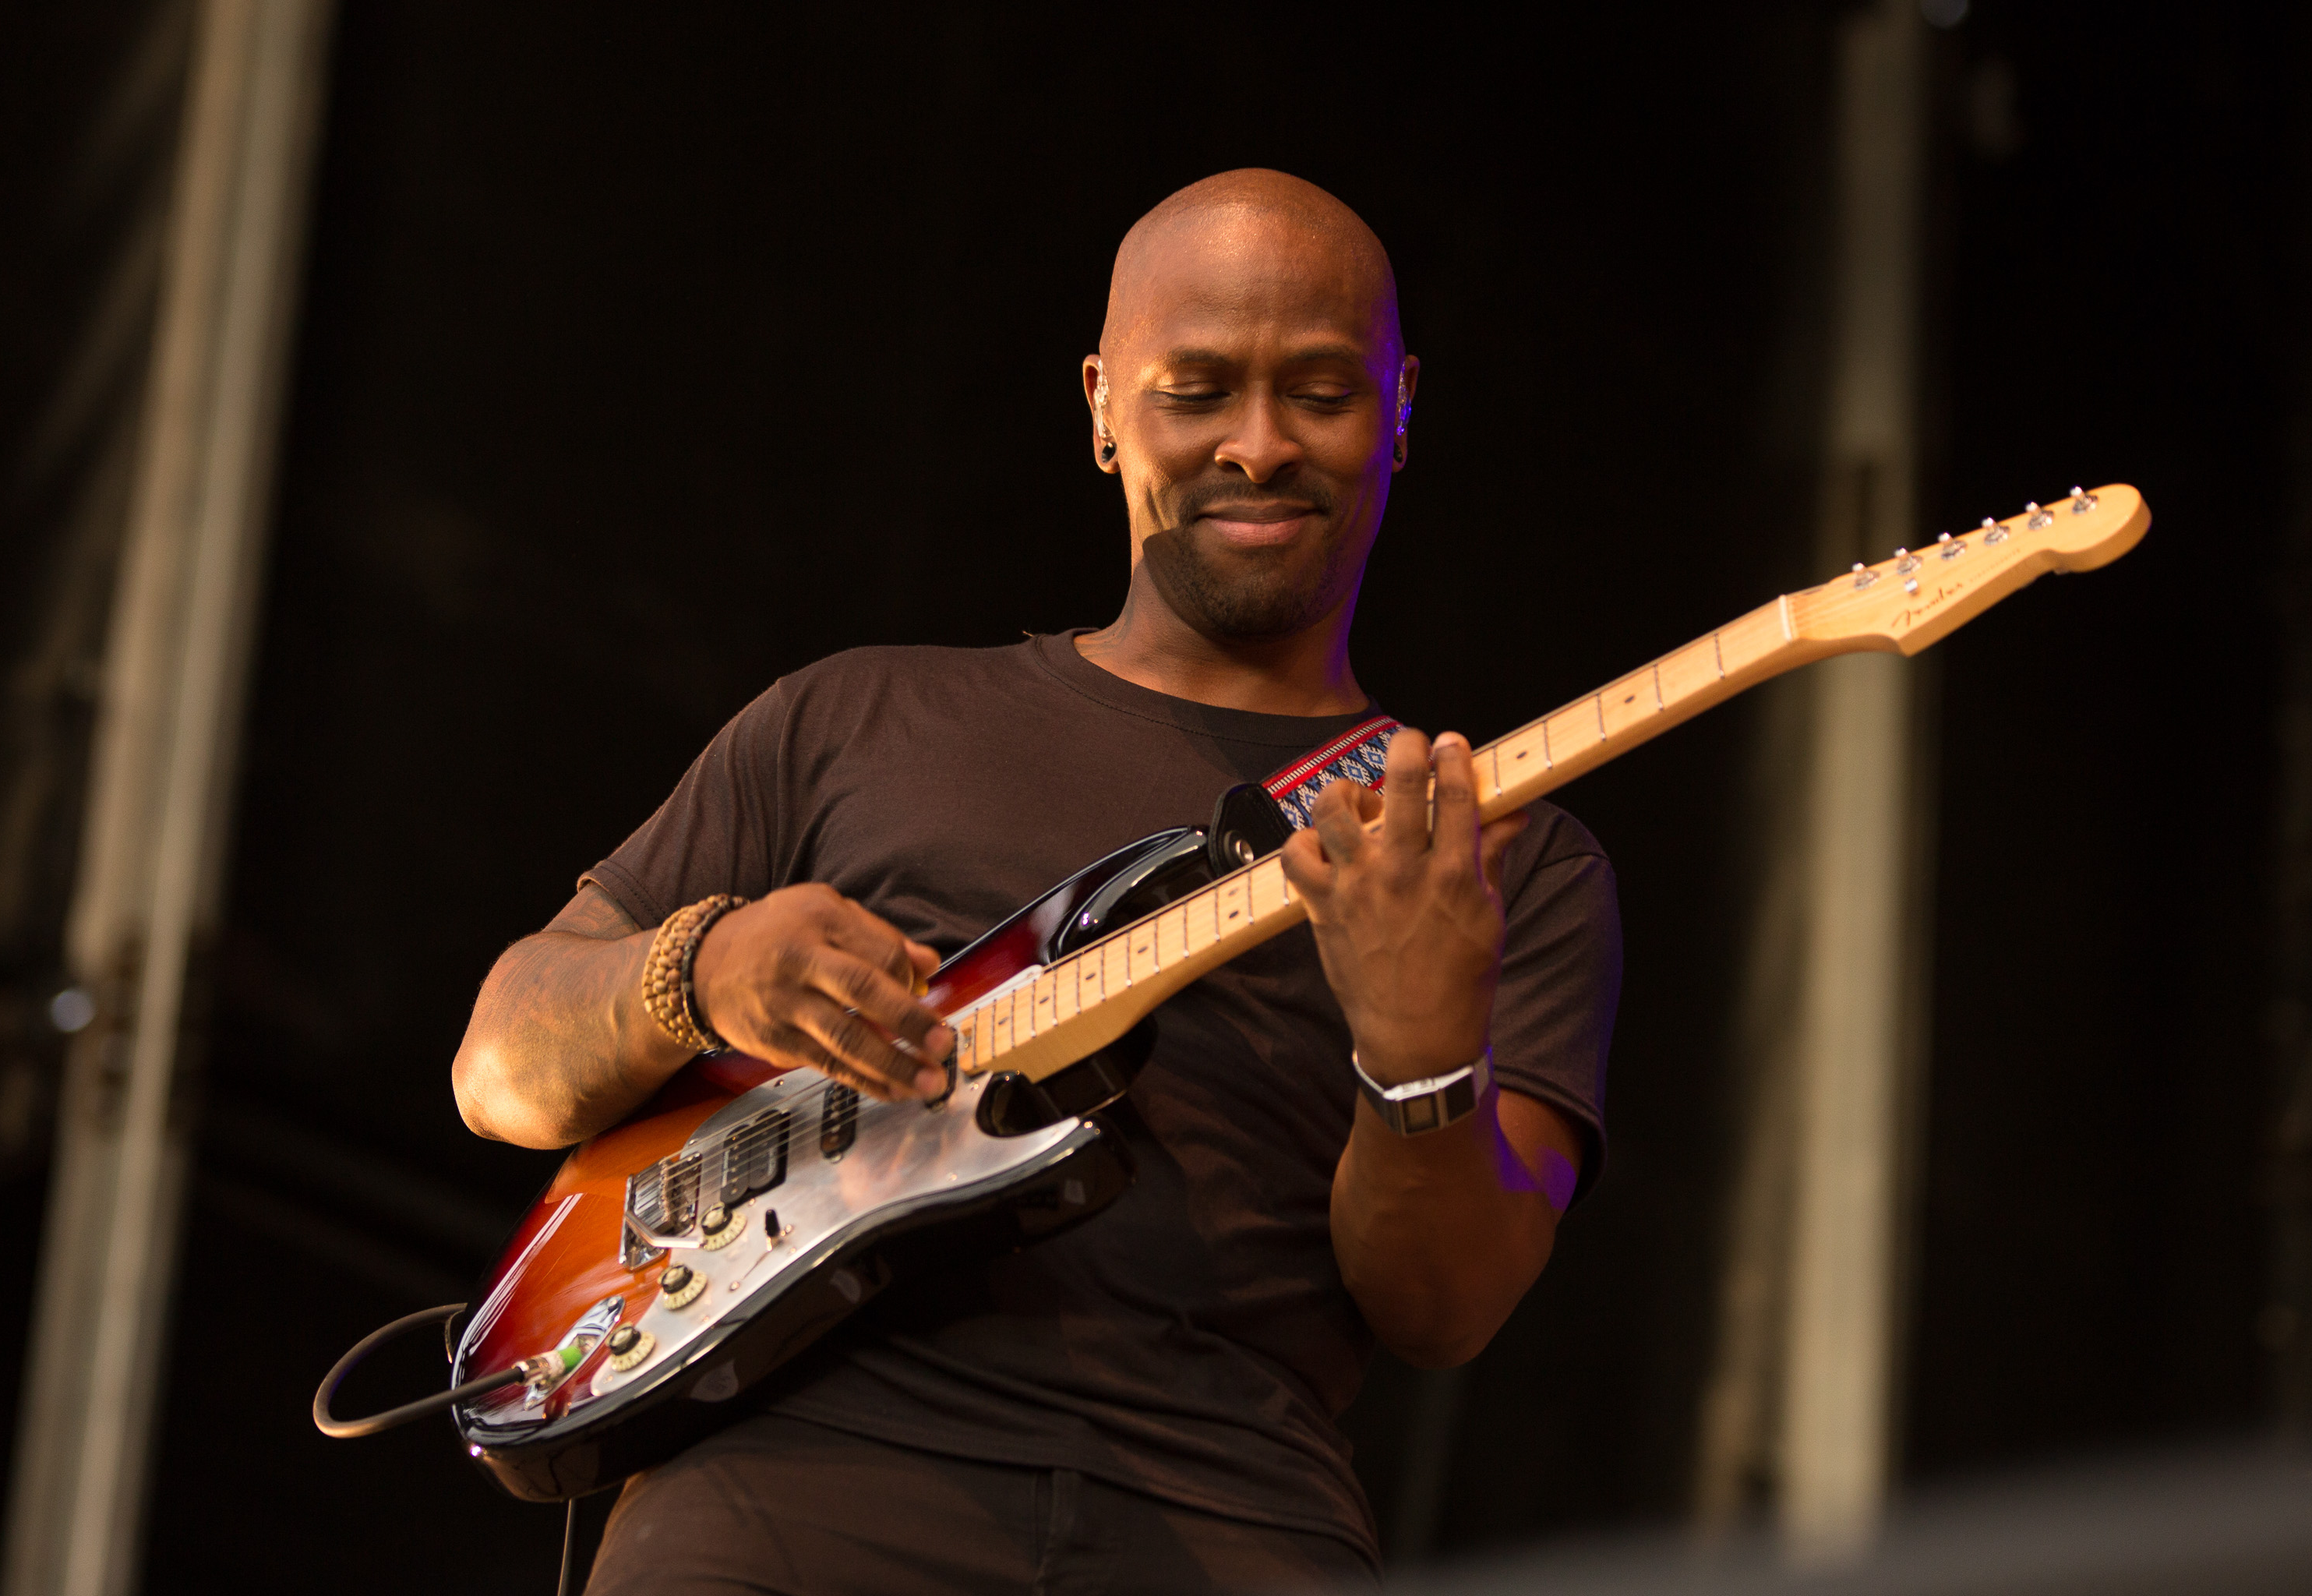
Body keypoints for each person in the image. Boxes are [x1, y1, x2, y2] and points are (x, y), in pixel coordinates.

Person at [451, 168, 1621, 1594]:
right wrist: (700, 970)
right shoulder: (855, 717)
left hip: (1228, 1521)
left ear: (1401, 409)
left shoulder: (1495, 852)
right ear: (1102, 406)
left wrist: (1419, 1049)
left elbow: (1442, 1311)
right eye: (1198, 391)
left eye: (1321, 393)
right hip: (785, 1499)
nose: (1259, 447)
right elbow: (499, 1068)